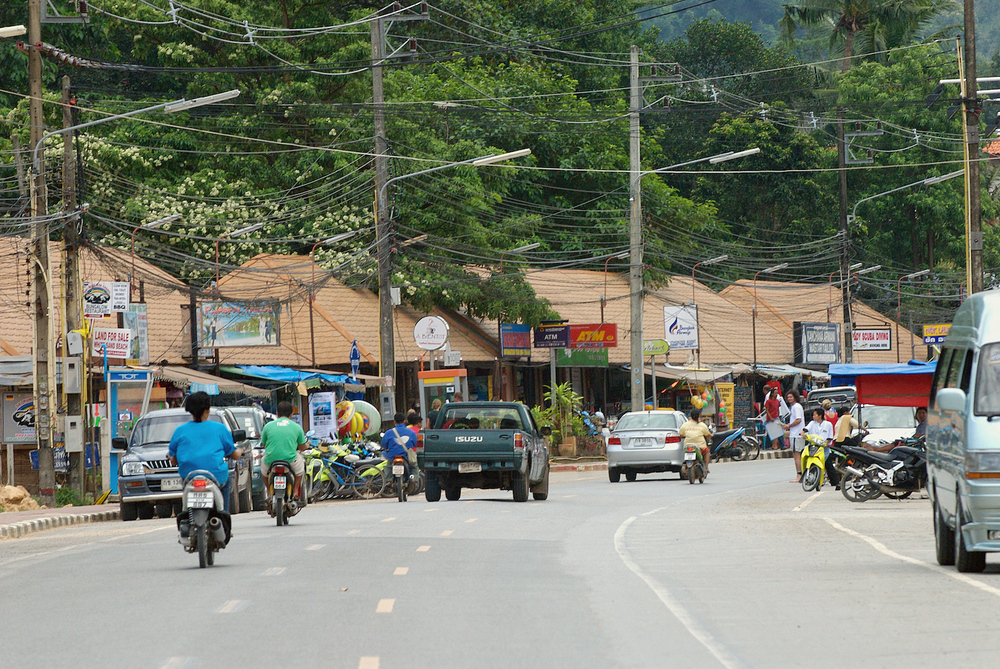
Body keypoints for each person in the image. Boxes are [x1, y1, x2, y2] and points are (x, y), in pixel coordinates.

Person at [168, 392, 243, 514]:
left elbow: (174, 459)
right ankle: (224, 519)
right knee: (227, 482)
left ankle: (187, 516)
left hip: (189, 478)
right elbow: (234, 454)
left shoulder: (180, 431)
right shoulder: (219, 429)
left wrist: (171, 457)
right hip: (217, 477)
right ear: (208, 410)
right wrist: (240, 451)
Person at [260, 400, 308, 504]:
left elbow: (264, 444)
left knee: (263, 472)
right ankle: (295, 490)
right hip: (290, 460)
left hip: (270, 460)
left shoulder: (268, 426)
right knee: (300, 470)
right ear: (291, 414)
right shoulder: (297, 427)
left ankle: (268, 491)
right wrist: (306, 446)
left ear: (277, 413)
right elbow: (301, 447)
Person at [805, 407, 840, 488]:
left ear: (819, 416)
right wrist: (803, 433)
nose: (813, 416)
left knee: (828, 465)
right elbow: (805, 429)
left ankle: (835, 483)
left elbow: (830, 436)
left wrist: (826, 443)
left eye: (814, 415)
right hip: (813, 446)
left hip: (823, 447)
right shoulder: (812, 423)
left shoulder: (828, 424)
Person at [381, 412, 418, 478]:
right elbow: (416, 444)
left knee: (388, 467)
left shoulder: (388, 433)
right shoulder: (411, 432)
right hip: (407, 457)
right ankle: (414, 479)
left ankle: (388, 481)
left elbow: (383, 445)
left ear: (394, 421)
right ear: (404, 421)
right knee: (414, 467)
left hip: (393, 457)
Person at [679, 408, 713, 473]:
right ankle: (706, 467)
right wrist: (711, 435)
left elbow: (681, 434)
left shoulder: (685, 425)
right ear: (699, 416)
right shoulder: (702, 425)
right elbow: (707, 434)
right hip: (700, 446)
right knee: (707, 452)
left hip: (687, 446)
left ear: (691, 416)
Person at [783, 390, 805, 482]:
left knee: (797, 455)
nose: (789, 399)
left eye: (791, 397)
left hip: (797, 435)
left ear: (795, 397)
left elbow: (798, 420)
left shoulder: (796, 407)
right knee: (797, 455)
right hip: (795, 434)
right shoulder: (794, 407)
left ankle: (799, 475)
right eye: (788, 397)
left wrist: (788, 426)